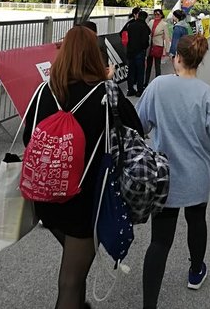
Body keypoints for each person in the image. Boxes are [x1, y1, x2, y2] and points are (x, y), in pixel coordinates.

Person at [22, 25, 142, 309]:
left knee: (76, 263)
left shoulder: (44, 91)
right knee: (70, 280)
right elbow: (135, 130)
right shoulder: (105, 92)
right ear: (93, 54)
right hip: (85, 199)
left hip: (46, 197)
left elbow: (30, 137)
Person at [137, 34, 210, 308]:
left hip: (163, 176)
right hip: (197, 176)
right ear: (200, 61)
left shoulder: (157, 86)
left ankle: (149, 304)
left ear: (176, 57)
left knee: (160, 241)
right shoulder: (208, 96)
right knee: (196, 220)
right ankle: (195, 270)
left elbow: (139, 125)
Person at [126, 9, 150, 97]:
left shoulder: (131, 25)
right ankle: (139, 90)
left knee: (131, 72)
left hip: (130, 51)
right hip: (140, 52)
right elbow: (145, 40)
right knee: (140, 72)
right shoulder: (144, 26)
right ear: (145, 18)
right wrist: (145, 47)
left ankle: (130, 89)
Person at [145, 8, 169, 87]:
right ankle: (146, 82)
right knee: (148, 65)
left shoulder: (164, 24)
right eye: (155, 14)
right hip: (150, 45)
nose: (156, 16)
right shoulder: (151, 22)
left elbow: (167, 37)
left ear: (161, 15)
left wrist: (167, 49)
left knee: (157, 65)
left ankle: (158, 82)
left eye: (158, 14)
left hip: (158, 46)